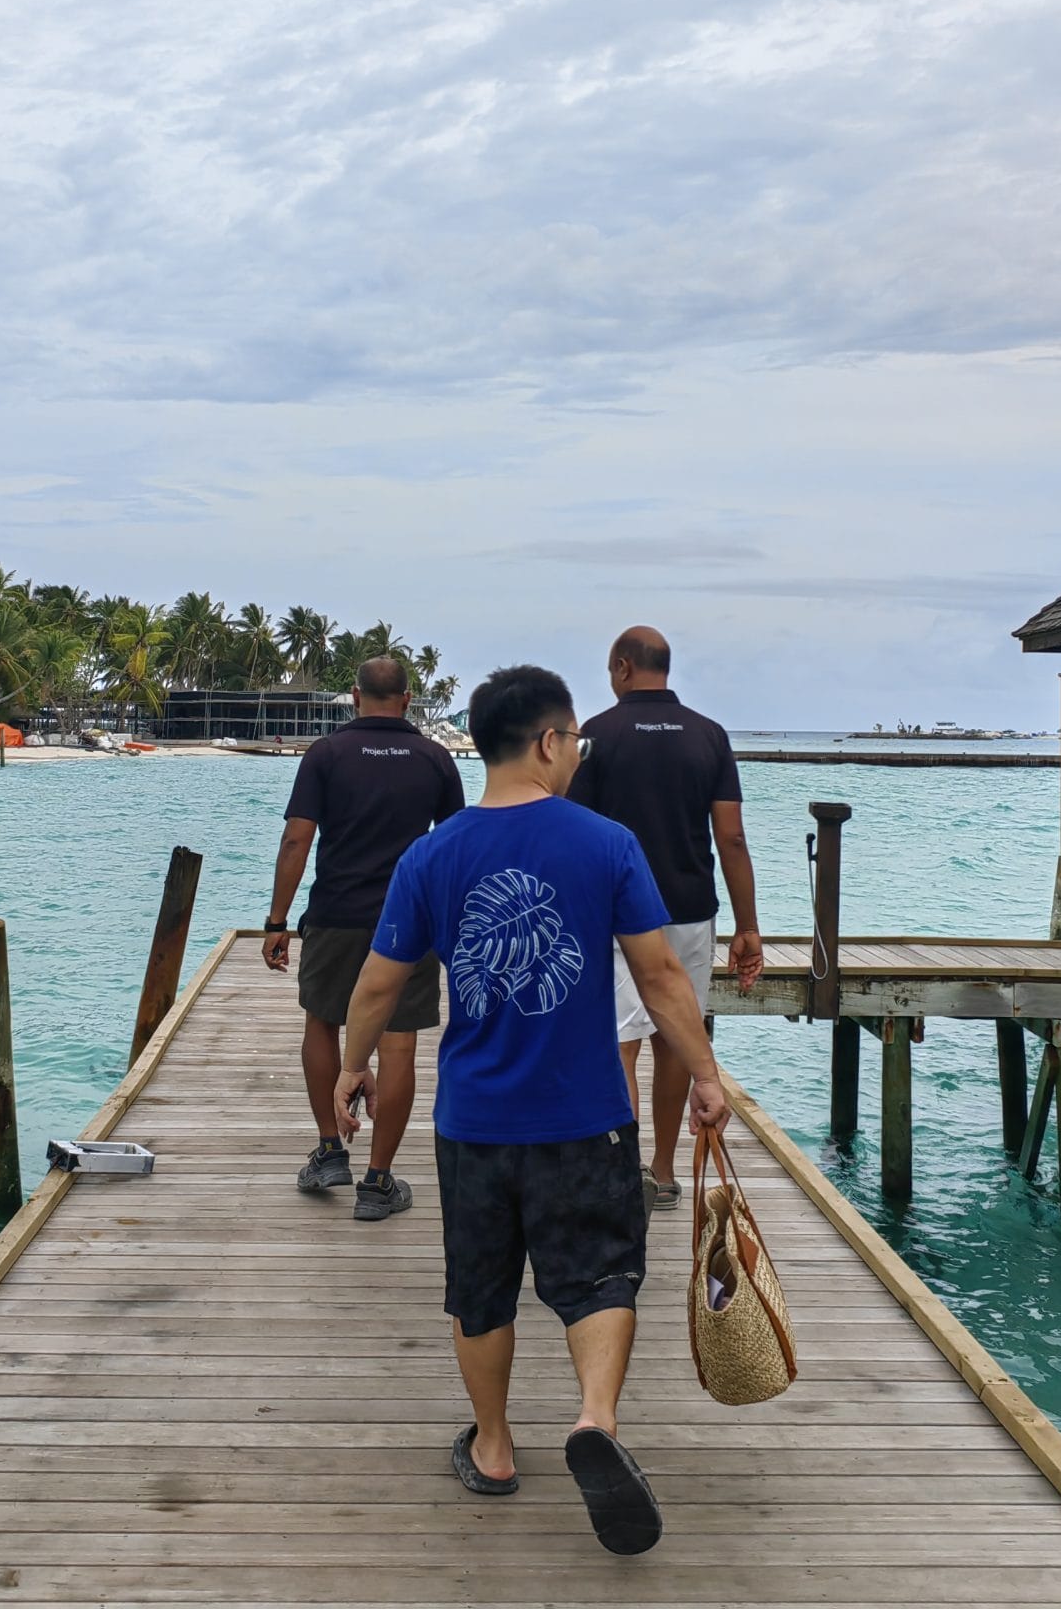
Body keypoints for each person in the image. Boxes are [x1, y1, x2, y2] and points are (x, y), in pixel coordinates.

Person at [334, 664, 727, 1556]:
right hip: (587, 1114)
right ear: (550, 743)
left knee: (481, 1292)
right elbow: (662, 977)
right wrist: (704, 1075)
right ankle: (595, 1418)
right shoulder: (606, 844)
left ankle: (497, 1447)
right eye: (575, 742)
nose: (578, 757)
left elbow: (378, 983)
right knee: (600, 1276)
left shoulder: (430, 856)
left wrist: (352, 1069)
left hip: (474, 1123)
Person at [261, 654, 464, 1220]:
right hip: (409, 920)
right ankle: (377, 1182)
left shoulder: (326, 754)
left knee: (322, 1024)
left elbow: (297, 842)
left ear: (355, 697)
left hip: (335, 915)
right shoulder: (434, 757)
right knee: (399, 1043)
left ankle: (330, 1150)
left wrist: (277, 921)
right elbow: (454, 848)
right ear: (406, 699)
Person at [567, 625, 763, 1212]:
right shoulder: (709, 735)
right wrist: (748, 927)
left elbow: (576, 834)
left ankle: (624, 1171)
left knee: (621, 1042)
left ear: (624, 668)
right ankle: (665, 1168)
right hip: (688, 908)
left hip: (616, 912)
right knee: (677, 1037)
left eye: (609, 670)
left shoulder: (596, 736)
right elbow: (730, 836)